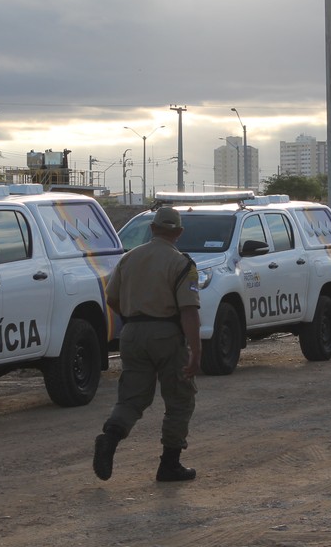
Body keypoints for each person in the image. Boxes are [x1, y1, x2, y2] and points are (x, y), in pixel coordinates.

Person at [93, 206, 202, 482]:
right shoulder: (181, 264)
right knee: (179, 399)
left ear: (152, 228)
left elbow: (111, 298)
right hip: (167, 335)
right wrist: (196, 351)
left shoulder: (129, 258)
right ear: (179, 232)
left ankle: (110, 437)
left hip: (132, 333)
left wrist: (133, 319)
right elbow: (189, 311)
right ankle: (169, 464)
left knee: (132, 398)